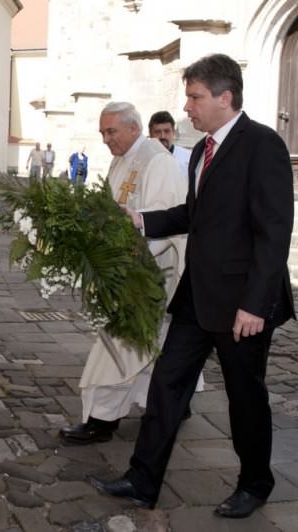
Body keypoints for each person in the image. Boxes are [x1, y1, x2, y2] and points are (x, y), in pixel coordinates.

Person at [89, 54, 295, 519]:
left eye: (195, 97)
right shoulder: (201, 150)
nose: (187, 107)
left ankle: (255, 483)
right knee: (166, 386)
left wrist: (255, 304)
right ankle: (143, 479)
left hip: (242, 306)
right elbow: (194, 216)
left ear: (225, 97)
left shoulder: (263, 145)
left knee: (245, 398)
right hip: (197, 297)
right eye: (188, 97)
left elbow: (274, 232)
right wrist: (140, 219)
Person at [59, 102, 199, 446]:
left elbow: (166, 220)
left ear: (134, 128)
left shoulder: (157, 161)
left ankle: (101, 420)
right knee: (151, 346)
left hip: (148, 275)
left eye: (112, 132)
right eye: (103, 133)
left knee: (120, 346)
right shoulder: (121, 159)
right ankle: (174, 403)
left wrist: (120, 259)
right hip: (126, 270)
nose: (106, 139)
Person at [148, 111, 191, 179]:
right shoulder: (141, 160)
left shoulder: (188, 158)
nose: (162, 136)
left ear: (173, 132)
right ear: (150, 134)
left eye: (167, 131)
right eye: (157, 132)